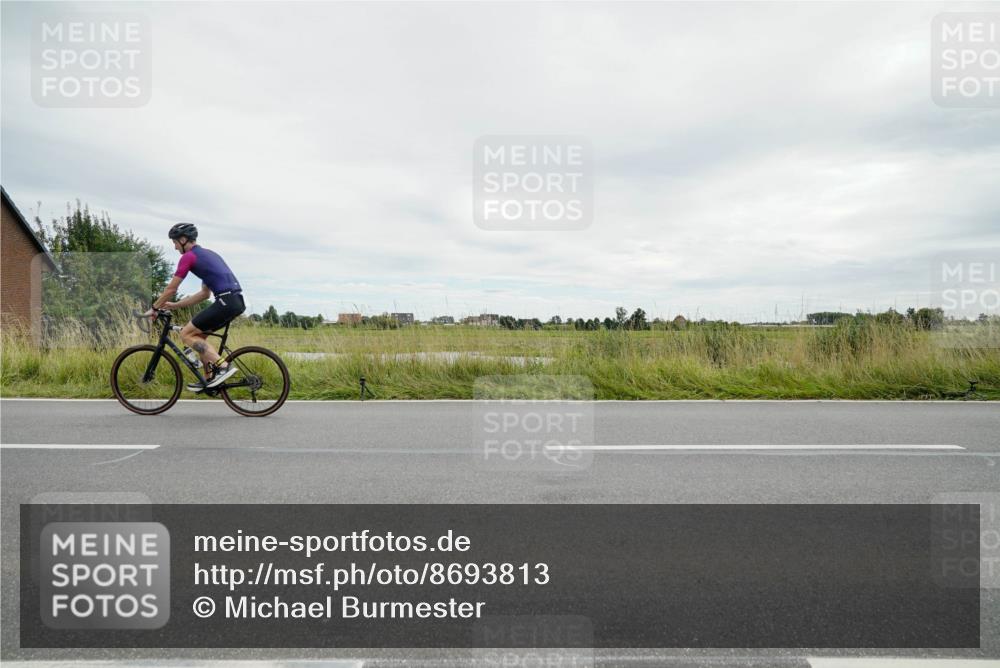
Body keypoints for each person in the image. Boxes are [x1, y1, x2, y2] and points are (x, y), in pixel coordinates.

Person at [146, 223, 246, 391]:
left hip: (225, 301)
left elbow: (171, 288)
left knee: (185, 334)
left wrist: (154, 308)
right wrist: (175, 305)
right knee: (198, 336)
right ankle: (209, 380)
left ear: (184, 240)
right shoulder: (209, 255)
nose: (175, 247)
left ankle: (223, 366)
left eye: (175, 242)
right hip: (235, 301)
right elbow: (204, 294)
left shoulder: (189, 257)